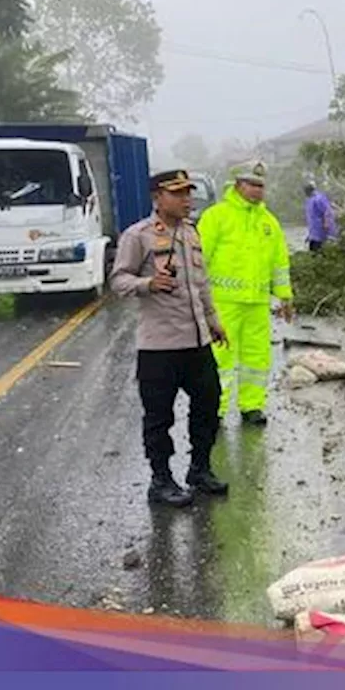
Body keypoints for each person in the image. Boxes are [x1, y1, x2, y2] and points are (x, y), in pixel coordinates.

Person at [110, 169, 230, 507]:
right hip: (159, 347)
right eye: (178, 193)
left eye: (188, 193)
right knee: (159, 416)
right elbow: (118, 281)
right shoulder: (139, 236)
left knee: (209, 404)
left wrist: (213, 320)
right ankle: (160, 480)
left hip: (197, 342)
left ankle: (200, 469)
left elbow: (201, 284)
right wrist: (147, 284)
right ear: (158, 198)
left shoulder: (192, 233)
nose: (186, 199)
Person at [197, 162, 294, 427]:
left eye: (261, 186)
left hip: (257, 304)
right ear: (238, 185)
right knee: (221, 360)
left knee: (257, 357)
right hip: (223, 303)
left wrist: (285, 297)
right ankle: (214, 410)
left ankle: (252, 406)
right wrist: (196, 297)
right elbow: (200, 259)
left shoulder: (268, 222)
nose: (258, 190)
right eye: (253, 184)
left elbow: (279, 262)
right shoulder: (217, 216)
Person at [303, 182, 337, 252]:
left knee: (319, 250)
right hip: (313, 233)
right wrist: (309, 235)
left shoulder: (319, 198)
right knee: (312, 250)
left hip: (321, 231)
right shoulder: (309, 200)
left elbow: (327, 210)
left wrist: (326, 223)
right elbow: (311, 217)